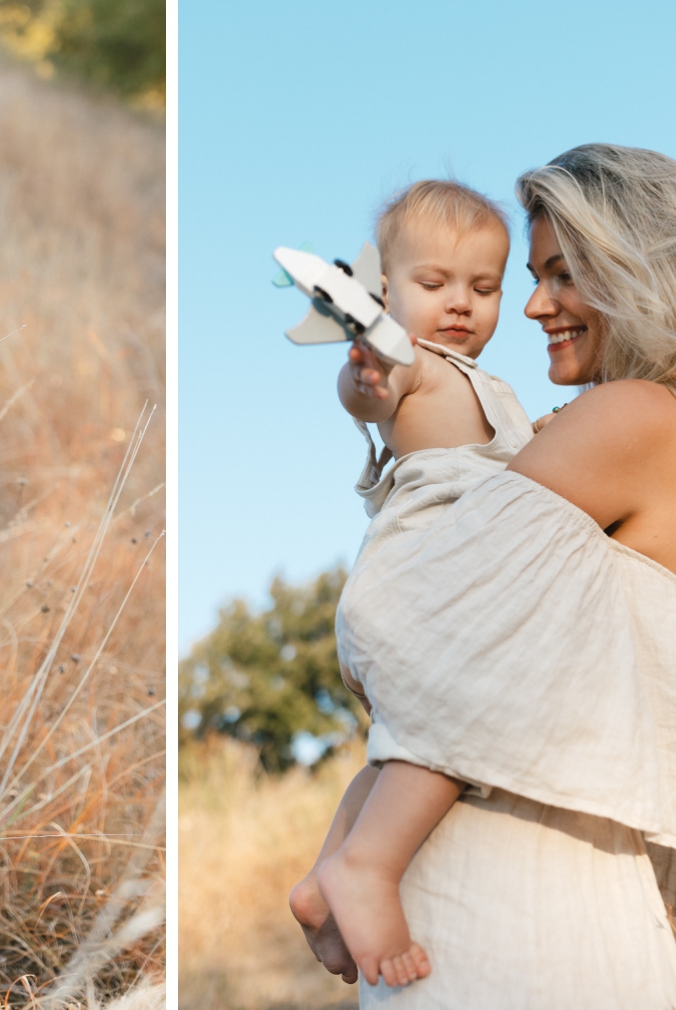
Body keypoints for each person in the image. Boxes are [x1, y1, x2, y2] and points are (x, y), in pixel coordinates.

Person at [295, 144, 676, 1006]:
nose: (534, 306)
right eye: (533, 277)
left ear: (644, 273)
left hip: (507, 871)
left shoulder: (634, 413)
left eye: (563, 276)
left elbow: (413, 616)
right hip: (563, 854)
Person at [286, 179, 532, 986]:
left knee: (404, 744)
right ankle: (370, 870)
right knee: (460, 719)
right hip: (423, 572)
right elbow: (366, 389)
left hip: (428, 579)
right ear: (387, 293)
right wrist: (368, 365)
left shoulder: (488, 386)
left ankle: (326, 881)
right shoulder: (412, 362)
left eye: (484, 287)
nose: (460, 303)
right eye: (434, 284)